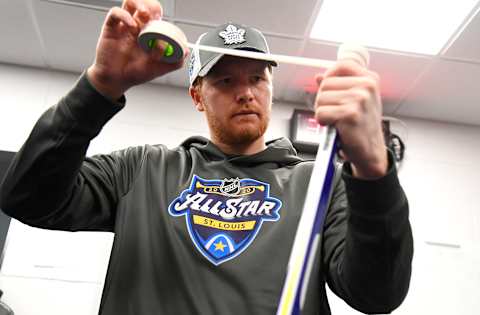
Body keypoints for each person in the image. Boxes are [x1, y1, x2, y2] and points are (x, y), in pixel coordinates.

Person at [0, 0, 413, 314]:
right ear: (198, 94)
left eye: (256, 78)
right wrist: (100, 87)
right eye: (225, 80)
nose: (246, 91)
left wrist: (373, 169)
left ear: (271, 86)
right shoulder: (142, 170)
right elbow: (27, 198)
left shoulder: (321, 184)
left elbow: (377, 294)